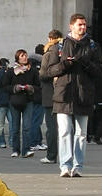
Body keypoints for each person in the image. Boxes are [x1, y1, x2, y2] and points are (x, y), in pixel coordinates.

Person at [45, 13, 102, 177]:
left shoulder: (93, 46)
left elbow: (100, 72)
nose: (83, 27)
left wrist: (85, 63)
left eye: (84, 25)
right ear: (71, 26)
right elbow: (48, 71)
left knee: (81, 134)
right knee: (64, 132)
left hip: (84, 95)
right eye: (80, 25)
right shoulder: (60, 46)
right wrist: (65, 64)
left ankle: (77, 166)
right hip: (63, 95)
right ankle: (65, 165)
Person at [2, 49, 40, 158]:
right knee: (15, 127)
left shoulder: (32, 70)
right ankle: (15, 149)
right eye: (22, 55)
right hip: (15, 101)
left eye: (26, 55)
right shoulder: (11, 71)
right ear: (18, 58)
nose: (25, 57)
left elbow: (38, 85)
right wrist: (15, 88)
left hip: (28, 100)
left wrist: (30, 88)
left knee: (27, 127)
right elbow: (5, 86)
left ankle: (26, 150)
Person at [39, 29, 63, 164]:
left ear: (50, 39)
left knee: (52, 127)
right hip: (64, 93)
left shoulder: (48, 54)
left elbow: (43, 74)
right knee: (67, 129)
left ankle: (51, 155)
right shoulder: (66, 51)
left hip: (50, 94)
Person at [29, 44, 47, 152]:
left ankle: (38, 141)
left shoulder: (29, 65)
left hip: (31, 96)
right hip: (40, 95)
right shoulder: (42, 64)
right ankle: (34, 142)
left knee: (34, 120)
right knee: (36, 120)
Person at [0, 58, 13, 148]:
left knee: (12, 123)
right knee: (0, 125)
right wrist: (2, 70)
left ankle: (12, 141)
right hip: (0, 103)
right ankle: (1, 141)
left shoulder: (9, 73)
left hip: (10, 102)